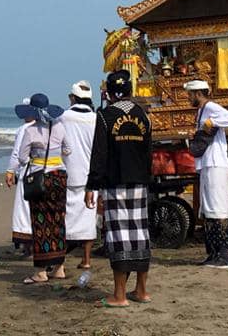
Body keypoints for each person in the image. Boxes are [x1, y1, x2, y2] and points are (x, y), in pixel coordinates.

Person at [86, 69, 152, 307]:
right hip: (140, 183)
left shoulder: (105, 116)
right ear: (130, 91)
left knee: (118, 237)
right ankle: (142, 291)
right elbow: (148, 153)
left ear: (110, 93)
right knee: (141, 235)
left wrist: (92, 184)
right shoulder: (143, 116)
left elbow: (99, 153)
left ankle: (120, 295)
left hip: (115, 183)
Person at [16, 92, 72, 284]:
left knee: (41, 223)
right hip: (59, 177)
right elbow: (68, 149)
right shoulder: (60, 127)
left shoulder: (31, 131)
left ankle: (40, 272)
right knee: (58, 220)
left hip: (41, 177)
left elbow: (22, 158)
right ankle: (59, 268)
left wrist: (35, 157)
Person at [184, 79, 228, 268]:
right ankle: (214, 253)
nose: (188, 97)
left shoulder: (211, 107)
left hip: (216, 164)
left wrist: (211, 123)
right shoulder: (201, 111)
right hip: (207, 164)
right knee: (208, 209)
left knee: (218, 208)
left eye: (190, 94)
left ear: (198, 94)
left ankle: (224, 255)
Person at [61, 81, 98, 270]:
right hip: (90, 175)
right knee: (88, 218)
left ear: (72, 98)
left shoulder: (64, 117)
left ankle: (60, 260)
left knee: (65, 216)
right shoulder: (96, 118)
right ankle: (86, 259)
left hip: (69, 172)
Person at [6, 99, 36, 255]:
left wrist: (11, 171)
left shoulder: (24, 129)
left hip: (28, 171)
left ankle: (27, 245)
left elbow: (17, 153)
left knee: (24, 208)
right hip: (45, 171)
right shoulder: (46, 127)